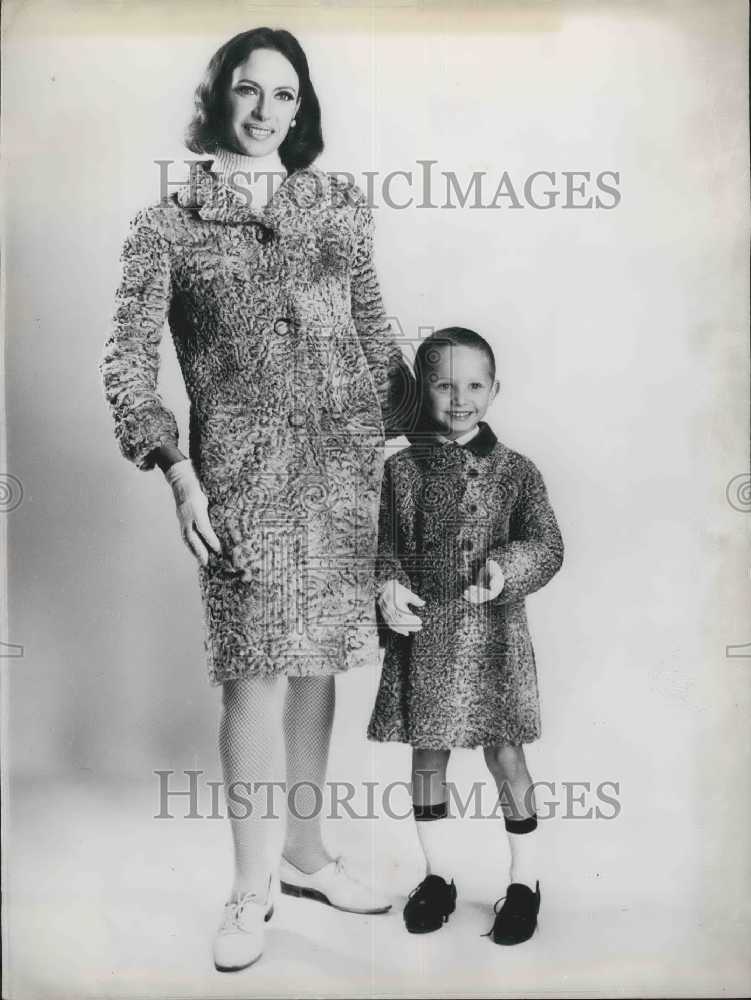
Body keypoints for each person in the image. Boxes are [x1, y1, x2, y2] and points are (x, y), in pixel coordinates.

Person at [99, 27, 416, 973]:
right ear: (217, 97)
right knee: (254, 671)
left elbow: (373, 328)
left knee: (318, 662)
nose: (265, 110)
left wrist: (417, 425)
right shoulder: (166, 225)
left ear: (301, 107)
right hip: (241, 478)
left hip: (344, 469)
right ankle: (250, 887)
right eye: (248, 89)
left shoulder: (338, 207)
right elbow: (128, 364)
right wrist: (178, 475)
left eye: (284, 94)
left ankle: (306, 855)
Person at [367, 327, 564, 944]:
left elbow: (548, 545)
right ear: (423, 391)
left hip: (494, 641)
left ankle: (524, 882)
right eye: (444, 385)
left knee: (506, 756)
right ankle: (438, 875)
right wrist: (387, 585)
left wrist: (506, 568)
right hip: (427, 639)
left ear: (495, 390)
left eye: (475, 385)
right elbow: (383, 548)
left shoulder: (516, 471)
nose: (460, 399)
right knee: (428, 755)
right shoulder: (400, 471)